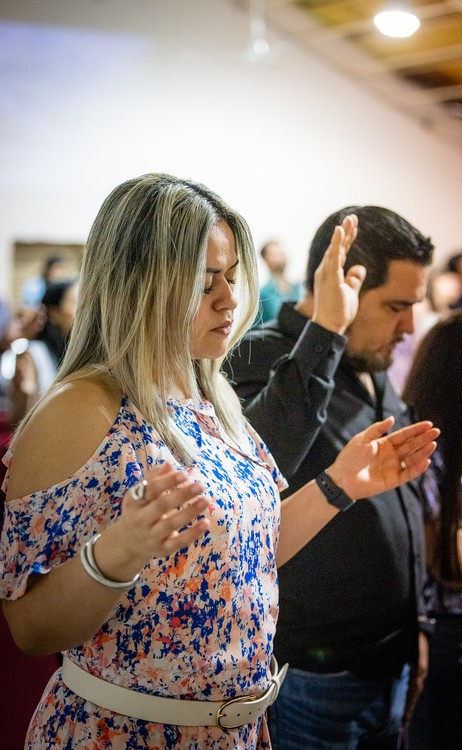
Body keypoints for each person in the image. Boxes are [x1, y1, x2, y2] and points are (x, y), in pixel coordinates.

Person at [0, 176, 438, 750]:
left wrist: (339, 484)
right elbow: (31, 630)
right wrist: (121, 549)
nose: (229, 299)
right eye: (205, 283)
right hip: (131, 732)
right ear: (139, 285)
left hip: (233, 730)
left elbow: (248, 552)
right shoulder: (81, 408)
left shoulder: (209, 397)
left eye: (231, 277)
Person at [225, 204, 435, 749]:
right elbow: (256, 468)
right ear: (341, 285)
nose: (409, 327)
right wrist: (326, 331)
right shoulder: (258, 355)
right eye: (396, 307)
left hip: (390, 665)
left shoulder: (369, 363)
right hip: (312, 678)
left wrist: (419, 627)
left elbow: (403, 500)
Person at [402, 309, 462, 750]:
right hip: (449, 639)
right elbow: (449, 565)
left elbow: (451, 548)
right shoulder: (426, 450)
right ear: (459, 386)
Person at [11, 278, 78, 424]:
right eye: (74, 303)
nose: (80, 311)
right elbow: (21, 416)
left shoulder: (76, 354)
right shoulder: (33, 354)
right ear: (54, 313)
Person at [388, 269, 462, 394]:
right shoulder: (421, 306)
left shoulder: (442, 311)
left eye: (459, 288)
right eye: (452, 281)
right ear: (436, 279)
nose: (456, 289)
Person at [255, 240, 302, 325]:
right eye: (275, 254)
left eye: (281, 253)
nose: (281, 256)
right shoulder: (263, 294)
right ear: (266, 259)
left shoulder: (299, 289)